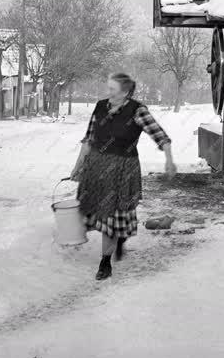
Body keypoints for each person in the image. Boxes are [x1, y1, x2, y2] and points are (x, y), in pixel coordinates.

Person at [70, 72, 177, 280]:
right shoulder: (101, 106)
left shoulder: (138, 110)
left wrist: (169, 160)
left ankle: (105, 262)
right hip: (95, 168)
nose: (107, 93)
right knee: (98, 212)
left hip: (121, 170)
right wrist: (78, 165)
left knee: (113, 217)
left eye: (112, 89)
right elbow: (89, 139)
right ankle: (118, 238)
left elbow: (161, 137)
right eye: (107, 88)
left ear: (125, 92)